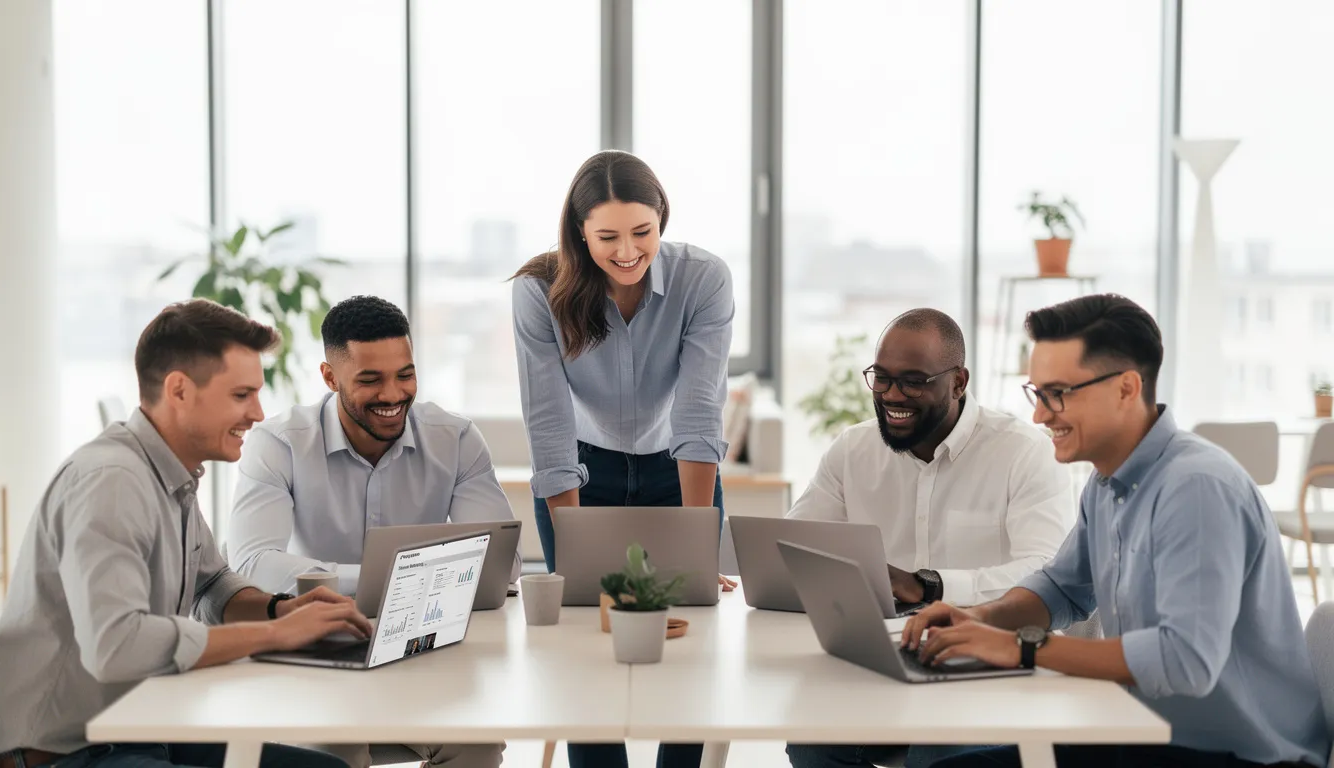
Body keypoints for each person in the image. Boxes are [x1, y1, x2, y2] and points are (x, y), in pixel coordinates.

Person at [902, 294, 1329, 768]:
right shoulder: (1107, 481)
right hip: (1149, 731)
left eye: (1057, 393)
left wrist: (1020, 647)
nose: (1040, 415)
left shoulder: (1197, 489)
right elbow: (1062, 588)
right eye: (1036, 393)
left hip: (1242, 754)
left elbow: (1182, 660)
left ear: (1127, 388)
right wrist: (981, 618)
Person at [0, 299, 370, 768]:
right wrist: (274, 633)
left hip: (140, 723)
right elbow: (118, 646)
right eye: (241, 395)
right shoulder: (112, 481)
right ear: (179, 390)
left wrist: (280, 608)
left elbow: (212, 583)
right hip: (66, 751)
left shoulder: (173, 475)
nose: (257, 412)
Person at [511, 150, 733, 768]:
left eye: (643, 232)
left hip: (676, 470)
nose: (628, 251)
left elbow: (697, 415)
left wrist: (695, 541)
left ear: (662, 218)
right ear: (579, 232)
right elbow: (549, 425)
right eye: (607, 236)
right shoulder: (539, 291)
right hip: (583, 471)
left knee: (690, 643)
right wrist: (576, 551)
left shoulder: (703, 279)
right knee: (587, 643)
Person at [226, 295, 510, 768]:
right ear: (330, 378)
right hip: (318, 657)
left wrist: (378, 580)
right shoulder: (278, 444)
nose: (393, 394)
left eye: (405, 374)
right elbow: (253, 564)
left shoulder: (455, 438)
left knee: (478, 745)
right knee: (334, 747)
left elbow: (499, 563)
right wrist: (389, 577)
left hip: (423, 653)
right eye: (371, 379)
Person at [784, 309, 1073, 768]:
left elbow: (1046, 574)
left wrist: (929, 586)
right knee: (810, 740)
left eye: (914, 381)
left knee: (936, 753)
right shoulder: (852, 451)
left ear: (959, 381)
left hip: (988, 668)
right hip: (881, 661)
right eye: (882, 378)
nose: (892, 395)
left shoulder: (1023, 453)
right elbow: (794, 548)